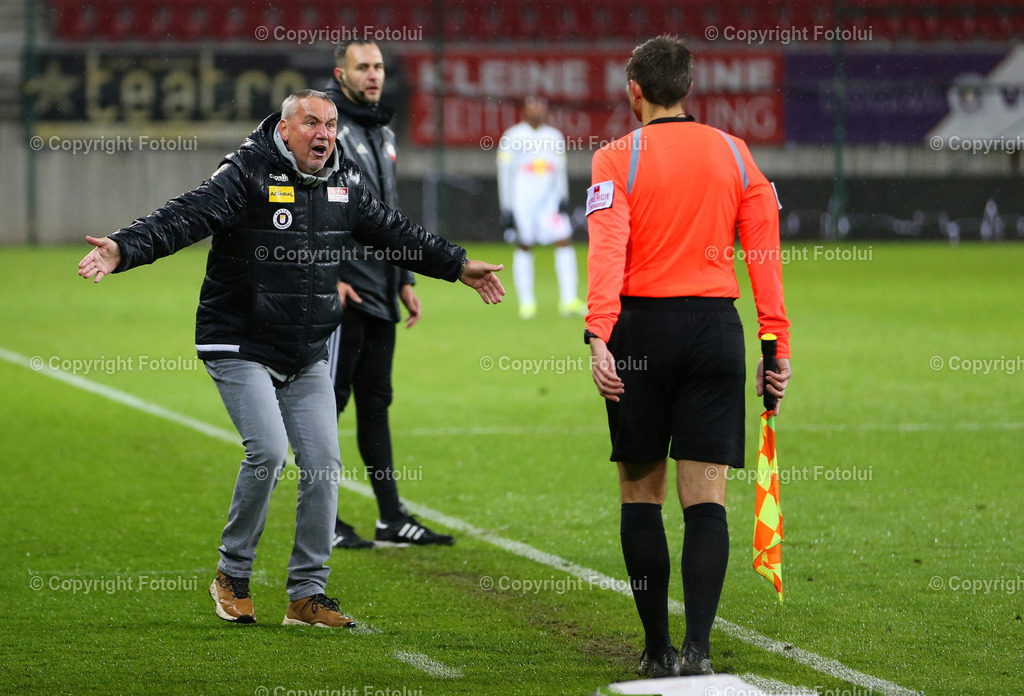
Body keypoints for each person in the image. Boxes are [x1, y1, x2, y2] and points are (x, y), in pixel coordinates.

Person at [78, 89, 504, 629]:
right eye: (312, 124)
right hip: (239, 341)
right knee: (270, 452)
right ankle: (232, 574)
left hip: (306, 348)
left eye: (330, 125)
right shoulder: (246, 172)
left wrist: (457, 264)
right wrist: (123, 246)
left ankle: (307, 595)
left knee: (324, 465)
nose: (325, 134)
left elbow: (393, 232)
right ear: (284, 130)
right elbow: (186, 215)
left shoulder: (343, 180)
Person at [584, 37, 792, 678]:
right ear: (688, 88)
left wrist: (599, 334)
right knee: (707, 499)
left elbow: (607, 247)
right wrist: (773, 346)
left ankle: (655, 650)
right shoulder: (737, 154)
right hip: (714, 333)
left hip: (642, 329)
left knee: (640, 495)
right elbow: (763, 256)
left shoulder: (617, 157)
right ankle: (698, 650)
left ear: (634, 91)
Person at [322, 40, 452, 549]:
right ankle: (324, 521)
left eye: (378, 67)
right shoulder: (329, 130)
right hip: (345, 292)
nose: (374, 75)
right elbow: (320, 210)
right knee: (326, 407)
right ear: (341, 73)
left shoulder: (381, 129)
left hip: (380, 289)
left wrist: (405, 279)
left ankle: (391, 517)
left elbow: (390, 217)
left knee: (376, 403)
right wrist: (328, 275)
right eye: (363, 67)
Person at [496, 96, 585, 319]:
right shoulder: (513, 136)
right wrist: (506, 207)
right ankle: (527, 303)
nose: (538, 111)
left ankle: (569, 299)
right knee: (524, 245)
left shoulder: (554, 136)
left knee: (564, 239)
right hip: (522, 202)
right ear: (524, 111)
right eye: (533, 107)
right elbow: (504, 173)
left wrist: (563, 196)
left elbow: (559, 169)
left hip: (549, 202)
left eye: (541, 108)